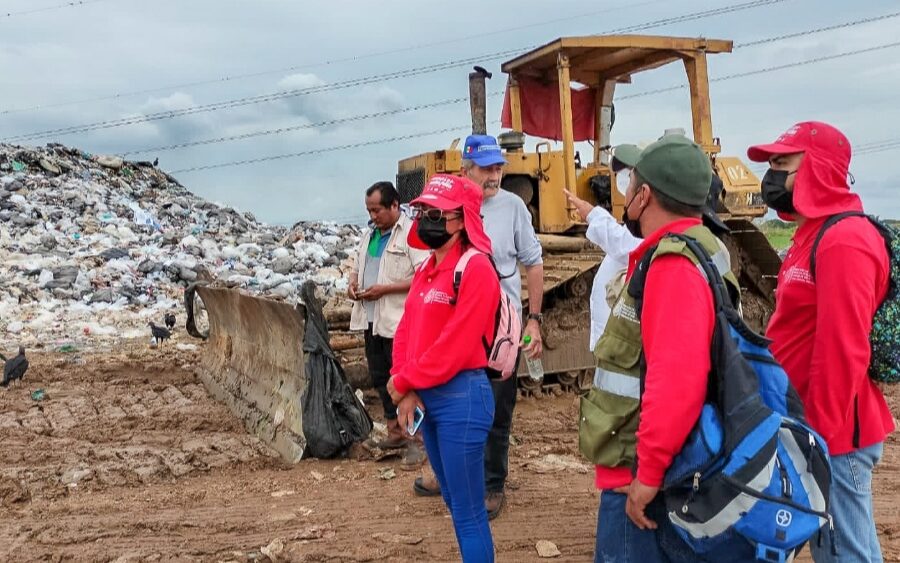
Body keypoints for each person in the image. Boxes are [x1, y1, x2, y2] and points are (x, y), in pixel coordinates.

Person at [589, 135, 757, 562]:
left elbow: (675, 379)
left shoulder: (671, 265)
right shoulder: (706, 244)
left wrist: (647, 473)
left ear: (644, 196)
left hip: (644, 471)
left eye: (631, 187)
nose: (625, 195)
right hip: (680, 457)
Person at [748, 122, 894, 563]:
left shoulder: (845, 240)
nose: (772, 176)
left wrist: (819, 443)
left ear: (819, 170)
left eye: (782, 163)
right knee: (836, 547)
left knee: (845, 553)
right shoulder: (811, 232)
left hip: (836, 434)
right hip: (808, 424)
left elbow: (843, 350)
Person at [413, 134, 545, 520]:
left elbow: (533, 264)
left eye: (498, 167)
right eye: (486, 168)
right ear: (465, 169)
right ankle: (444, 472)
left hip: (499, 330)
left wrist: (533, 321)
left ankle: (491, 483)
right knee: (443, 399)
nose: (495, 174)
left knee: (496, 409)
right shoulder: (447, 208)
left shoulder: (513, 207)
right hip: (451, 323)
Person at [386, 173, 500, 562]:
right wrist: (404, 388)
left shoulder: (476, 269)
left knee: (469, 514)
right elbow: (406, 331)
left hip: (461, 399)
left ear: (462, 219)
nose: (429, 220)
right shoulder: (426, 270)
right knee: (452, 500)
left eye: (439, 213)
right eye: (424, 212)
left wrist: (402, 380)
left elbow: (454, 346)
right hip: (426, 399)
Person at [349, 181, 430, 468]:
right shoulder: (370, 235)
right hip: (372, 319)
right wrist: (353, 283)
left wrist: (385, 289)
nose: (373, 216)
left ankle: (418, 440)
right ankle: (395, 432)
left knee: (404, 382)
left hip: (399, 322)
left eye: (377, 210)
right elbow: (358, 267)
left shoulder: (411, 234)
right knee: (381, 378)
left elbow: (423, 276)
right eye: (369, 210)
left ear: (395, 205)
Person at [565, 144, 642, 353]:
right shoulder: (637, 223)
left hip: (622, 344)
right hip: (613, 339)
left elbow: (626, 246)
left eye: (628, 179)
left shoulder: (647, 228)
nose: (622, 184)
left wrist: (591, 214)